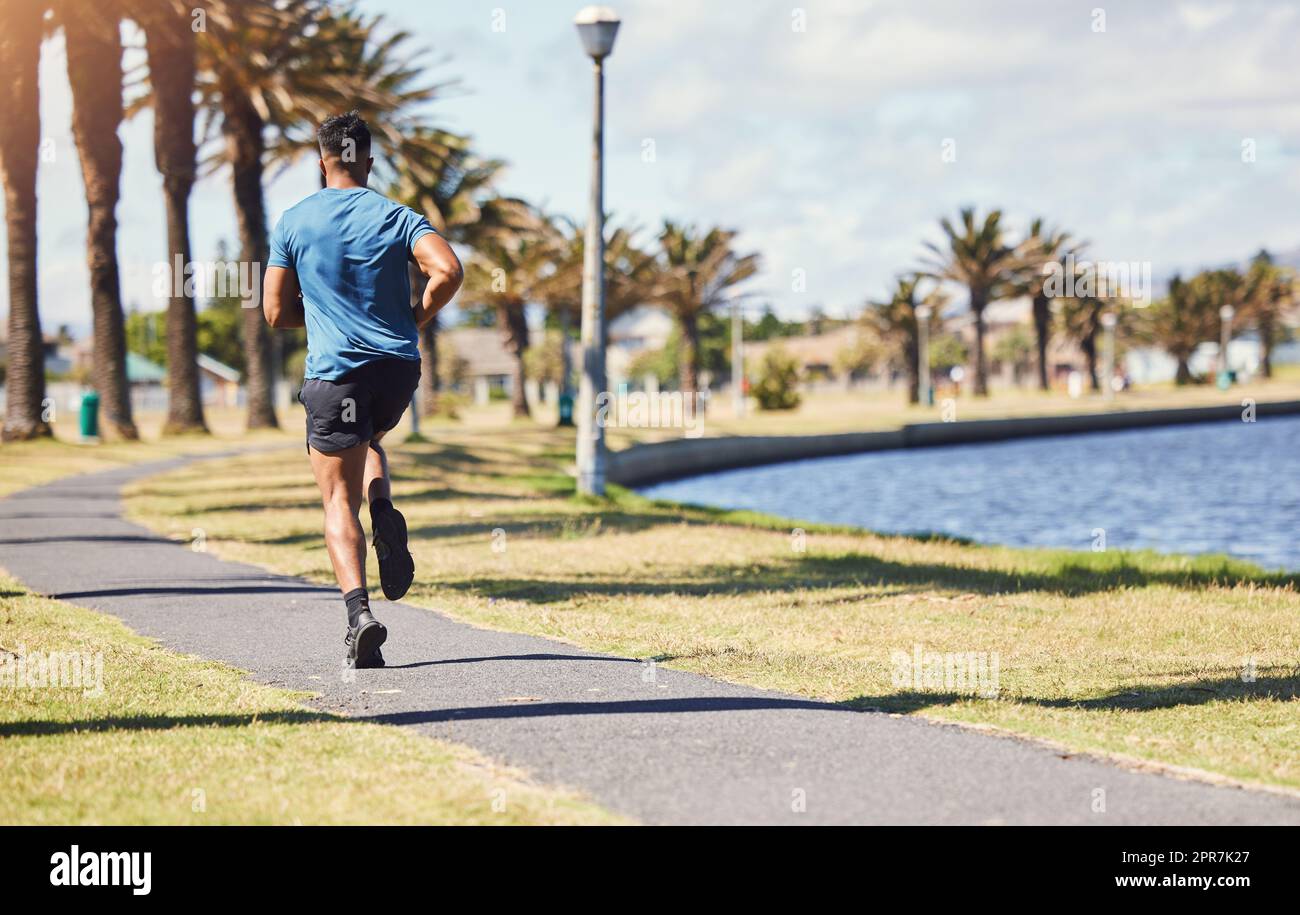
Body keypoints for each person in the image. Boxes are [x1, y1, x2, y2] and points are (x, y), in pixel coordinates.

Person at [262, 111, 463, 669]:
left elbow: (275, 312)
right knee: (369, 438)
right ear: (369, 162)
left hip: (335, 373)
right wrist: (413, 318)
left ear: (321, 160)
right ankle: (384, 507)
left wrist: (328, 311)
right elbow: (447, 270)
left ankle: (359, 617)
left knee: (334, 498)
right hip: (396, 370)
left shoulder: (294, 221)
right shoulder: (397, 215)